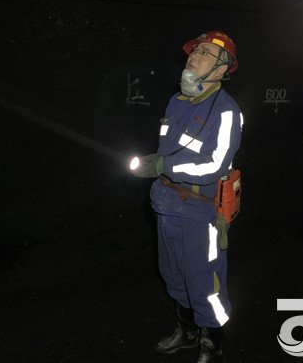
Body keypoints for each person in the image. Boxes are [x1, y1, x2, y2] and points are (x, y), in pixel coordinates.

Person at [131, 30, 243, 363]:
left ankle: (212, 342)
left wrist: (163, 165)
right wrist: (157, 165)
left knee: (203, 279)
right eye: (195, 51)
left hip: (200, 211)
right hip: (166, 204)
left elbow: (214, 165)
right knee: (173, 274)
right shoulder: (176, 102)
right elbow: (168, 148)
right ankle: (187, 331)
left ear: (221, 69)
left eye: (205, 53)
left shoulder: (226, 111)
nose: (194, 56)